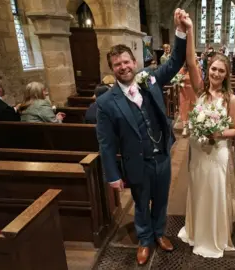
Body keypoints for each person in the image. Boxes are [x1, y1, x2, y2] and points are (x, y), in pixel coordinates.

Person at [95, 8, 190, 265]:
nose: (123, 67)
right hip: (137, 162)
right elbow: (105, 142)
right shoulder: (106, 102)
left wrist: (180, 31)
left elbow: (175, 62)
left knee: (161, 200)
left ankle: (159, 233)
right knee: (140, 203)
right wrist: (112, 175)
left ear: (134, 62)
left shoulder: (150, 80)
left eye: (127, 62)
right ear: (112, 69)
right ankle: (144, 240)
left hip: (162, 157)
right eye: (117, 64)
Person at [177, 14, 235, 258]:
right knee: (198, 190)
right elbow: (192, 62)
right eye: (213, 68)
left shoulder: (230, 99)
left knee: (214, 193)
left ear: (226, 74)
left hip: (217, 152)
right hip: (198, 152)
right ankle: (196, 231)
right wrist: (190, 30)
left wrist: (217, 133)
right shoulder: (201, 91)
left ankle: (213, 236)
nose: (216, 73)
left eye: (221, 71)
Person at [177, 61, 202, 137]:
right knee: (184, 108)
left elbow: (199, 80)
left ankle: (192, 126)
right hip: (184, 91)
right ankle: (185, 127)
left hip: (192, 91)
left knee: (192, 107)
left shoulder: (196, 69)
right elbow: (177, 79)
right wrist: (180, 83)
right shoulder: (182, 69)